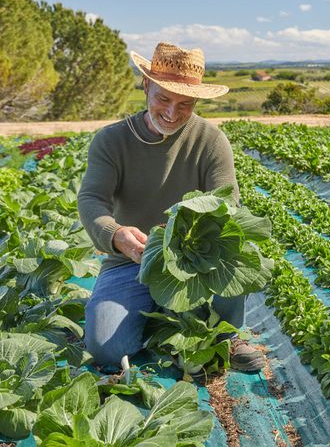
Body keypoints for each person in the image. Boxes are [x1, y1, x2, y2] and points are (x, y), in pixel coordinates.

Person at [78, 42, 262, 371]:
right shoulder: (112, 140)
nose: (171, 112)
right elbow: (92, 198)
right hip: (129, 261)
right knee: (107, 351)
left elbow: (228, 201)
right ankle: (159, 316)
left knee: (242, 250)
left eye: (185, 104)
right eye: (163, 98)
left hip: (193, 261)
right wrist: (115, 234)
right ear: (146, 85)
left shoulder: (211, 140)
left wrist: (187, 239)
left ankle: (226, 335)